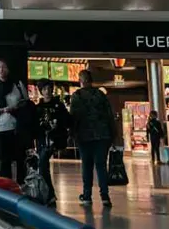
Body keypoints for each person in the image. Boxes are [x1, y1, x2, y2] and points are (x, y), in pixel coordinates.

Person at [70, 69, 115, 207]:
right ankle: (105, 196)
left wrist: (73, 133)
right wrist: (113, 134)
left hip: (84, 136)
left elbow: (74, 116)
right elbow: (109, 115)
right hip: (102, 135)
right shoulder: (100, 94)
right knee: (101, 166)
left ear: (81, 81)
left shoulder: (77, 96)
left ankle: (87, 195)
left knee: (87, 165)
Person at [0, 59, 28, 184]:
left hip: (17, 127)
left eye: (4, 67)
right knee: (5, 160)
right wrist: (1, 110)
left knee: (20, 158)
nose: (1, 70)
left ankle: (21, 185)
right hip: (1, 128)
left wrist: (16, 107)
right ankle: (6, 187)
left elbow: (26, 102)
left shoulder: (17, 85)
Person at [33, 80, 70, 205]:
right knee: (42, 166)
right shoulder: (38, 108)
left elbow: (66, 121)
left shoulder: (59, 106)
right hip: (42, 140)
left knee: (43, 164)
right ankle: (47, 194)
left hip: (53, 140)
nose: (47, 92)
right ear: (41, 91)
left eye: (49, 89)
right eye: (44, 89)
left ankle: (49, 195)